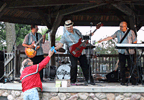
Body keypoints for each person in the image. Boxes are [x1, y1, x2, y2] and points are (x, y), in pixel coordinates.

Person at [55, 19, 95, 85]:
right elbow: (60, 44)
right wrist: (54, 48)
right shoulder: (65, 35)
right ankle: (73, 81)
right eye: (68, 27)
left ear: (72, 26)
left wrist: (87, 39)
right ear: (65, 27)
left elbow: (82, 39)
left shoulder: (77, 31)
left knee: (85, 65)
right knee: (74, 66)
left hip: (81, 51)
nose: (69, 28)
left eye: (70, 27)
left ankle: (89, 80)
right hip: (72, 52)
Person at [98, 21, 137, 85]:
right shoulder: (118, 32)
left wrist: (132, 47)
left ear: (126, 26)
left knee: (131, 66)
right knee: (122, 67)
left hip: (130, 52)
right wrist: (102, 40)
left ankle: (134, 81)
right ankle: (123, 81)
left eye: (122, 26)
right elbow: (111, 37)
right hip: (121, 52)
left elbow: (135, 41)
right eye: (120, 26)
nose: (121, 27)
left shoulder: (131, 32)